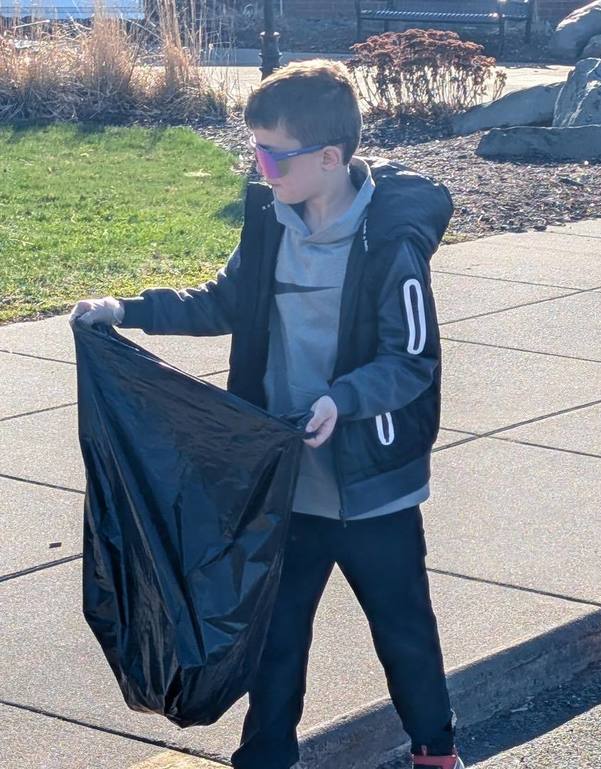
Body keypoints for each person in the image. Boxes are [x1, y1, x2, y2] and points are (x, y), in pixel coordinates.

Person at [71, 59, 463, 768]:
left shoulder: (390, 245)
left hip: (372, 487)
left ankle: (436, 749)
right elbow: (218, 303)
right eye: (254, 147)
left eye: (271, 152)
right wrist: (124, 311)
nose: (259, 164)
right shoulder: (269, 224)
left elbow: (412, 362)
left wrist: (341, 398)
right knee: (277, 638)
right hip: (284, 484)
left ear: (329, 157)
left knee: (402, 627)